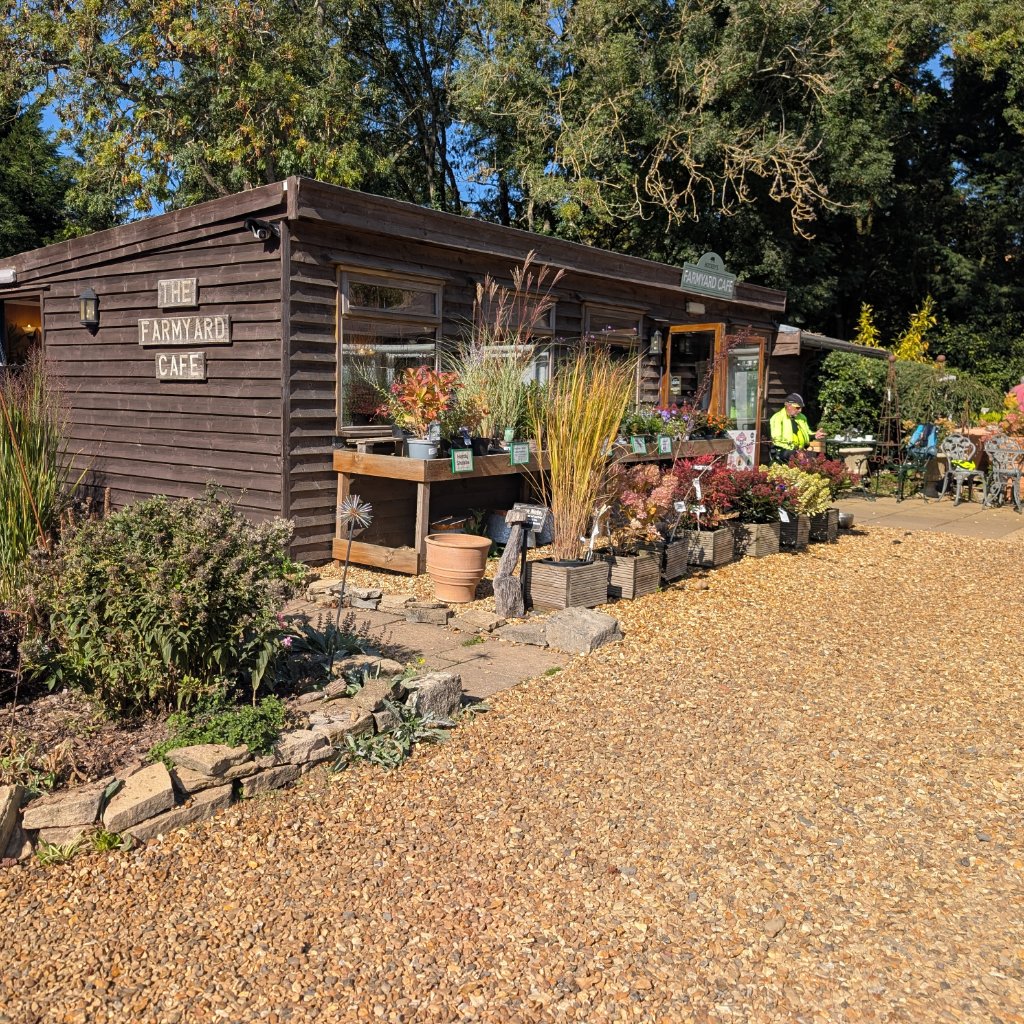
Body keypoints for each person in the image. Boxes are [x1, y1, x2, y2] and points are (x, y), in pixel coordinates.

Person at [769, 393, 825, 463]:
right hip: (783, 451)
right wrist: (795, 451)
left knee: (816, 460)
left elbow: (807, 433)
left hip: (801, 451)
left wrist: (814, 435)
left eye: (801, 408)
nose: (800, 410)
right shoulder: (777, 418)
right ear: (788, 406)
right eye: (797, 408)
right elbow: (776, 440)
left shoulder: (802, 417)